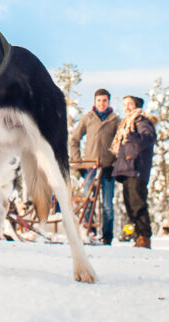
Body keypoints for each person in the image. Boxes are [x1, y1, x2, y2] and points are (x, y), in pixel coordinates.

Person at [69, 88, 121, 245]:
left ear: (109, 102)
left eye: (104, 101)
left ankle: (106, 237)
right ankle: (88, 232)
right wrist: (78, 162)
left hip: (107, 168)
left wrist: (116, 163)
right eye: (99, 100)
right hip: (90, 167)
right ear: (94, 101)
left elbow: (121, 143)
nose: (102, 104)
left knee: (107, 205)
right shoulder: (88, 118)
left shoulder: (115, 120)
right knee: (87, 201)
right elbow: (74, 139)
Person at [111, 95, 156, 249]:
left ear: (137, 106)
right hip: (127, 169)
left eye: (130, 104)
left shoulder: (141, 122)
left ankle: (144, 235)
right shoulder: (126, 124)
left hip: (137, 168)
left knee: (137, 203)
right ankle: (138, 235)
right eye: (125, 105)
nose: (127, 107)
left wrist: (132, 136)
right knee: (130, 204)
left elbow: (148, 138)